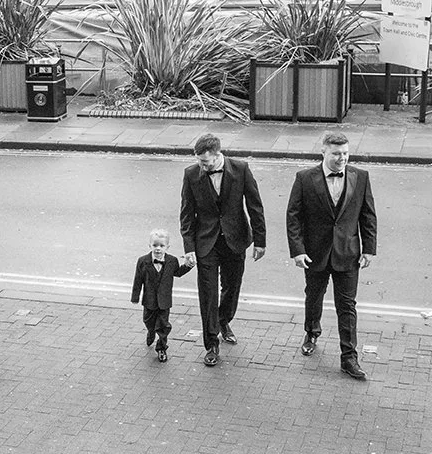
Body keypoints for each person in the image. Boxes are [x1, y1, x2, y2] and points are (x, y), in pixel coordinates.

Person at [286, 131, 379, 380]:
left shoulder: (360, 177)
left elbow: (368, 215)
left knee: (347, 306)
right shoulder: (305, 178)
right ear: (324, 153)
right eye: (336, 154)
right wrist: (298, 250)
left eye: (346, 154)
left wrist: (369, 248)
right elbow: (293, 217)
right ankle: (312, 332)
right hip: (315, 253)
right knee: (313, 296)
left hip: (348, 253)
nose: (342, 159)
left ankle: (349, 357)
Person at [179, 134, 266, 368]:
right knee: (207, 293)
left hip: (235, 240)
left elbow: (255, 206)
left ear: (218, 155)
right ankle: (211, 344)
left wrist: (260, 241)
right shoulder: (191, 174)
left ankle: (223, 319)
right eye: (199, 161)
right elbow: (186, 215)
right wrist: (188, 248)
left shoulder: (241, 169)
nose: (202, 166)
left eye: (205, 162)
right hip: (206, 242)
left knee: (232, 287)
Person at [131, 228, 192, 363]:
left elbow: (178, 272)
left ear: (167, 247)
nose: (158, 249)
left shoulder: (172, 261)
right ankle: (151, 332)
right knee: (148, 321)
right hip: (149, 300)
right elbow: (138, 280)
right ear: (150, 245)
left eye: (162, 246)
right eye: (155, 245)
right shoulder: (143, 261)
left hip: (164, 301)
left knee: (164, 325)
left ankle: (162, 348)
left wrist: (188, 266)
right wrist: (135, 297)